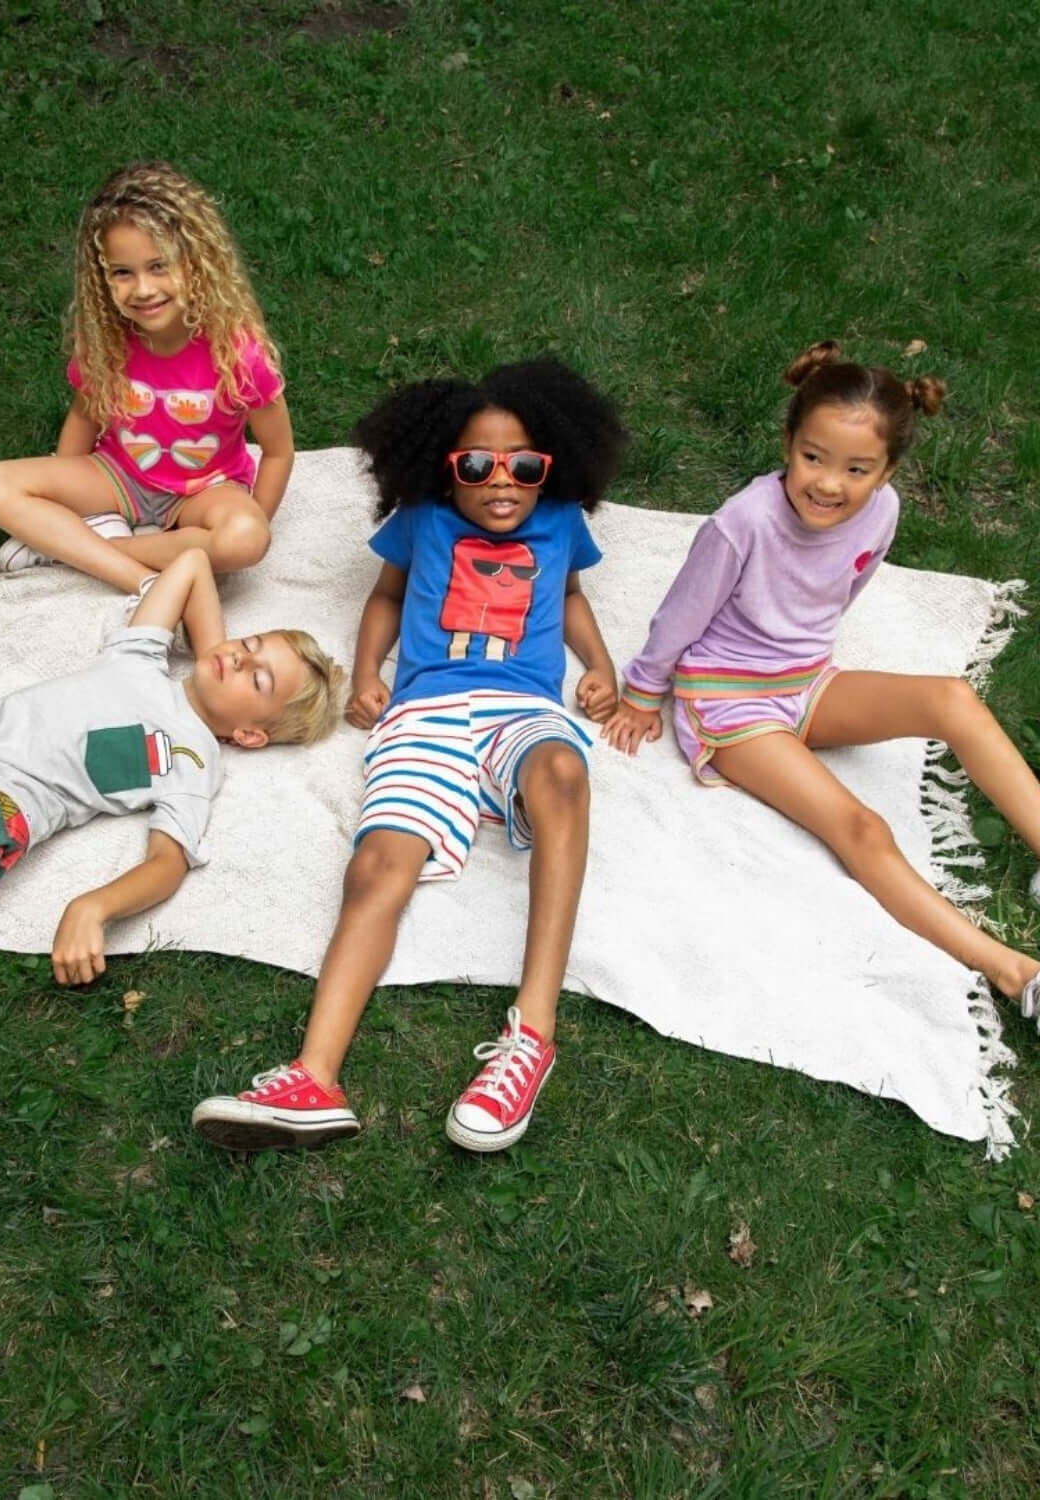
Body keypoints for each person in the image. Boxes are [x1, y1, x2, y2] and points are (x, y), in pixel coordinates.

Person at [192, 357, 627, 1154]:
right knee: (376, 866)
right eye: (477, 464)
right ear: (442, 467)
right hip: (423, 713)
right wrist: (366, 676)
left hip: (521, 711)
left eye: (525, 466)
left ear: (553, 468)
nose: (503, 482)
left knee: (563, 774)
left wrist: (598, 667)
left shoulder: (561, 522)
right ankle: (313, 1078)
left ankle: (532, 1034)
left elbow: (567, 594)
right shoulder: (424, 518)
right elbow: (388, 594)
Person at [601, 340, 1040, 1021]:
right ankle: (1013, 971)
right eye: (814, 458)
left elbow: (843, 588)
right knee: (861, 827)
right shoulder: (741, 523)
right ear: (787, 442)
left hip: (807, 680)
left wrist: (811, 671)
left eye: (857, 469)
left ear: (887, 470)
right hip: (731, 703)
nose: (829, 484)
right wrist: (641, 692)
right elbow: (681, 612)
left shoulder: (882, 511)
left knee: (953, 699)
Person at [0, 550, 342, 984]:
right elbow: (192, 564)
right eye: (249, 646)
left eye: (258, 681)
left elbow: (168, 863)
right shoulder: (138, 658)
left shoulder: (191, 757)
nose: (238, 660)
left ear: (250, 736)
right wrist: (216, 649)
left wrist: (93, 907)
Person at [0, 162, 293, 595]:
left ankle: (90, 545)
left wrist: (256, 522)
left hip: (205, 491)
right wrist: (66, 496)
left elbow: (277, 452)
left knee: (244, 540)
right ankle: (140, 578)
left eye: (159, 266)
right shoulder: (107, 339)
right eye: (123, 272)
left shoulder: (236, 352)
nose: (143, 289)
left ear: (196, 265)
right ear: (103, 280)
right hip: (119, 475)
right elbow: (84, 417)